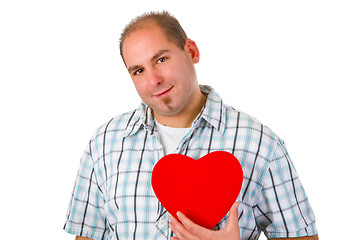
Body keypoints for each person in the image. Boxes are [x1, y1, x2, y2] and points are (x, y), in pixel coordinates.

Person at [63, 11, 319, 240]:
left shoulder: (260, 144)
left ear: (192, 51)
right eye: (138, 71)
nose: (154, 80)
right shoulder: (104, 144)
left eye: (161, 59)